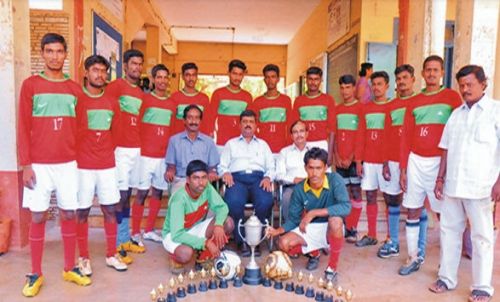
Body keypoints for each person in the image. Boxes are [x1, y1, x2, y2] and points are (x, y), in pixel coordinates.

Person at [18, 33, 91, 297]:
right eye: (49, 51)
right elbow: (23, 127)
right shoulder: (31, 85)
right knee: (38, 215)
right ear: (42, 54)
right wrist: (26, 164)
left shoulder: (74, 89)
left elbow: (81, 129)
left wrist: (78, 161)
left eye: (59, 51)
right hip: (39, 164)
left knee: (69, 214)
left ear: (65, 54)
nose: (54, 56)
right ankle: (35, 272)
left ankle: (69, 267)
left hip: (68, 165)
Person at [429, 65, 500, 302]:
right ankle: (446, 278)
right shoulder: (456, 114)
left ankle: (481, 287)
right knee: (449, 232)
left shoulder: (495, 111)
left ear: (483, 84)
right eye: (462, 85)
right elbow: (445, 149)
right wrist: (440, 178)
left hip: (481, 186)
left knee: (482, 236)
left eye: (470, 84)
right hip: (453, 185)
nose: (465, 89)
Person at [399, 55, 462, 276]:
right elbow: (406, 137)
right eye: (428, 70)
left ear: (442, 72)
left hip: (440, 163)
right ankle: (413, 256)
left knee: (444, 213)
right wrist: (403, 169)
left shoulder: (452, 97)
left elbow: (458, 133)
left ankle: (447, 263)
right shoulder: (413, 102)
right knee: (413, 208)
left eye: (436, 70)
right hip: (416, 160)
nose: (432, 74)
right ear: (423, 74)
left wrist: (450, 168)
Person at [75, 55, 127, 275]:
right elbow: (73, 133)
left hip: (107, 163)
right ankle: (83, 257)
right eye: (95, 70)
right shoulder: (77, 99)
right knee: (82, 210)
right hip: (83, 164)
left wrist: (103, 149)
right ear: (86, 72)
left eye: (103, 71)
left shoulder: (112, 102)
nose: (100, 75)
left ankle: (111, 254)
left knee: (110, 209)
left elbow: (116, 133)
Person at [267, 147, 350, 281]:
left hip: (332, 228)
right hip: (311, 228)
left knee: (335, 220)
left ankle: (332, 268)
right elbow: (294, 220)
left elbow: (346, 207)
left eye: (319, 168)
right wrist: (278, 230)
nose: (315, 173)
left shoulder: (335, 180)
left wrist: (313, 213)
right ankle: (314, 253)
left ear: (325, 168)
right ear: (305, 168)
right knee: (283, 243)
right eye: (311, 168)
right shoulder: (300, 189)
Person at [377, 64, 428, 259]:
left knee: (417, 204)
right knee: (392, 200)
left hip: (414, 159)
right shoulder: (391, 105)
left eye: (405, 77)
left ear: (414, 79)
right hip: (392, 158)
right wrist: (384, 162)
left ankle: (420, 248)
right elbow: (386, 136)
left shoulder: (419, 102)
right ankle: (393, 243)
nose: (402, 82)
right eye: (399, 79)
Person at [106, 49, 146, 261]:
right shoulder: (114, 88)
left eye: (140, 64)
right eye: (133, 63)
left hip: (136, 149)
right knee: (118, 197)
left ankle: (124, 237)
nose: (137, 67)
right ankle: (116, 243)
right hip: (119, 149)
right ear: (125, 65)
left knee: (128, 194)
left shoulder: (140, 93)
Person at [219, 110, 275, 257]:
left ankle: (256, 239)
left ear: (256, 125)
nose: (248, 125)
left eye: (251, 122)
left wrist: (268, 177)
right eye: (245, 122)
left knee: (265, 201)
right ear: (240, 125)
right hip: (237, 179)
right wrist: (225, 173)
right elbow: (222, 165)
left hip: (259, 179)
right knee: (233, 201)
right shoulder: (231, 144)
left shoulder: (263, 145)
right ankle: (241, 240)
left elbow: (271, 166)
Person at [162, 160, 234, 273]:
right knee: (186, 254)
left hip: (195, 227)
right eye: (196, 178)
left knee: (228, 223)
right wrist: (205, 243)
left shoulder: (207, 188)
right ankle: (174, 257)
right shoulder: (179, 200)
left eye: (204, 177)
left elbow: (222, 207)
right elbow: (177, 234)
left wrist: (219, 224)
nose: (201, 182)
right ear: (188, 180)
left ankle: (203, 258)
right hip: (174, 235)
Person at [131, 64, 176, 245]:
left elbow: (172, 130)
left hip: (162, 156)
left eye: (166, 77)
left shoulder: (172, 104)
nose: (162, 81)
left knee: (158, 192)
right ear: (153, 79)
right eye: (159, 77)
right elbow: (137, 127)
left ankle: (149, 230)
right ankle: (135, 232)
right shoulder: (145, 100)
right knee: (142, 193)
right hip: (145, 155)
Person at [354, 71, 394, 248]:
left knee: (388, 198)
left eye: (380, 84)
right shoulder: (365, 108)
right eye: (374, 84)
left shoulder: (393, 107)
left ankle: (390, 236)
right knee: (370, 195)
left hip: (387, 160)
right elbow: (360, 135)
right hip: (369, 159)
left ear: (387, 86)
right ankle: (371, 234)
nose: (377, 87)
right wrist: (358, 160)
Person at [332, 75, 363, 243]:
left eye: (348, 87)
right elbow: (334, 135)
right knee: (342, 194)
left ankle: (353, 227)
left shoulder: (360, 108)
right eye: (342, 88)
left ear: (354, 88)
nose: (345, 91)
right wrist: (336, 155)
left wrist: (352, 157)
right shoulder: (337, 109)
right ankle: (344, 226)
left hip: (354, 159)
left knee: (356, 192)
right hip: (340, 159)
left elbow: (360, 135)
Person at [165, 105, 219, 195]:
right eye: (190, 118)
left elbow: (212, 167)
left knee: (210, 204)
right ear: (184, 121)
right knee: (179, 202)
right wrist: (170, 172)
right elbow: (171, 166)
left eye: (197, 118)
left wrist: (212, 172)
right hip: (182, 181)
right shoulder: (174, 140)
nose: (193, 121)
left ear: (200, 121)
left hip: (203, 182)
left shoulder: (208, 142)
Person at [291, 67, 336, 161]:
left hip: (322, 144)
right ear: (306, 80)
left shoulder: (328, 100)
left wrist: (330, 154)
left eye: (316, 79)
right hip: (302, 144)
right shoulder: (299, 101)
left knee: (321, 175)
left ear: (321, 80)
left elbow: (332, 129)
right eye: (310, 79)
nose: (313, 82)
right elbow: (294, 128)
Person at [210, 59, 253, 152]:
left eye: (240, 74)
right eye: (234, 73)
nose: (237, 77)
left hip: (242, 143)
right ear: (228, 73)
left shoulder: (247, 97)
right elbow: (211, 118)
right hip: (222, 143)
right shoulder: (218, 94)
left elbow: (250, 122)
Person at [250, 64, 292, 155]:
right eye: (267, 77)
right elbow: (253, 125)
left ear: (278, 79)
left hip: (283, 148)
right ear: (264, 80)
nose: (270, 80)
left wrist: (289, 145)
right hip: (263, 148)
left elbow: (290, 125)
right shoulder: (257, 101)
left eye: (273, 77)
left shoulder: (286, 100)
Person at [276, 120, 312, 223]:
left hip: (313, 186)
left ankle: (313, 232)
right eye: (295, 132)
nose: (299, 134)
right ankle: (290, 230)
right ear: (291, 136)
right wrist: (294, 179)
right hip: (292, 187)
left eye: (301, 131)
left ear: (307, 133)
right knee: (287, 198)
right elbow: (279, 175)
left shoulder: (314, 151)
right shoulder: (284, 152)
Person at [170, 62, 213, 136]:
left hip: (198, 143)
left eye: (193, 75)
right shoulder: (174, 97)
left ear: (197, 77)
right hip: (179, 142)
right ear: (183, 77)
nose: (191, 78)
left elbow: (207, 123)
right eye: (187, 75)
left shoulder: (204, 99)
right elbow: (171, 123)